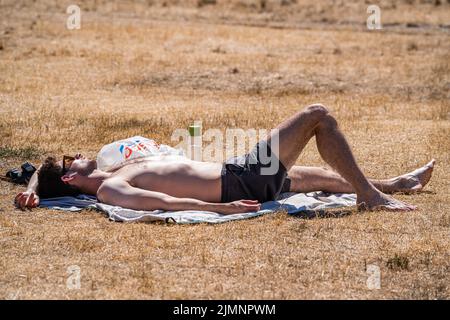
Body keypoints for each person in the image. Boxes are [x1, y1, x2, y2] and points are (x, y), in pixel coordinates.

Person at [15, 104, 435, 214]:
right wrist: (221, 209)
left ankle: (395, 184)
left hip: (239, 174)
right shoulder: (109, 187)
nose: (80, 154)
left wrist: (34, 187)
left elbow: (38, 168)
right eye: (73, 160)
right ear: (70, 179)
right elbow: (165, 204)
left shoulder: (112, 167)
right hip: (241, 181)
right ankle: (371, 197)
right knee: (317, 116)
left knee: (321, 177)